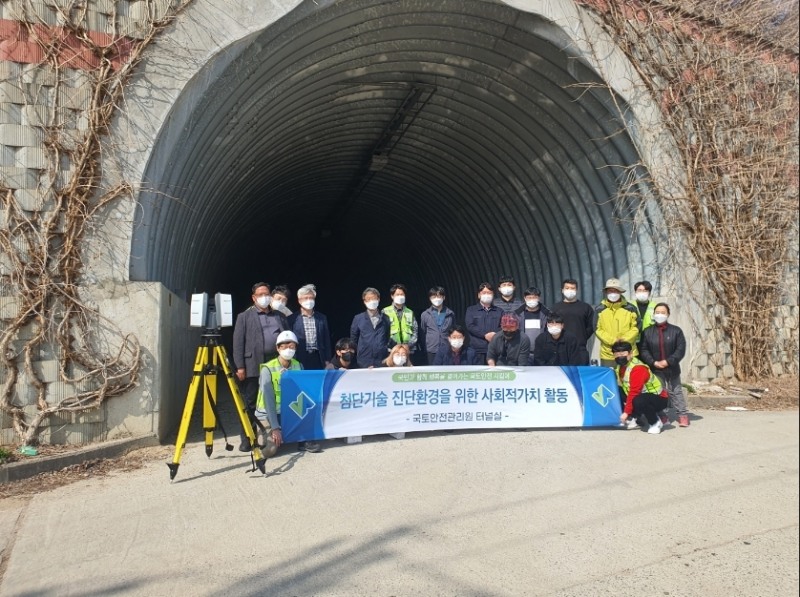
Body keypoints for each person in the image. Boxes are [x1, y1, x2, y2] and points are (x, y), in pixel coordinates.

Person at [232, 281, 288, 452]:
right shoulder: (244, 316)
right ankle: (248, 437)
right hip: (252, 365)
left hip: (276, 365)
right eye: (260, 294)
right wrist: (240, 367)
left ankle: (276, 435)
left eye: (267, 294)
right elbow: (237, 343)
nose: (264, 297)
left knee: (276, 400)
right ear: (254, 297)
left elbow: (287, 337)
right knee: (250, 402)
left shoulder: (279, 316)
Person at [259, 330, 321, 453]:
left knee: (311, 405)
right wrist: (275, 427)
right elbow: (269, 401)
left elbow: (303, 394)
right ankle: (272, 433)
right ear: (278, 348)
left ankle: (304, 440)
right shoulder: (267, 369)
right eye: (285, 346)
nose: (288, 349)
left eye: (292, 346)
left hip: (290, 412)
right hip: (268, 414)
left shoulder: (299, 366)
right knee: (269, 450)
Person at [639, 303, 691, 427]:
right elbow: (643, 349)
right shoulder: (647, 332)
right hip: (655, 368)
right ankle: (663, 415)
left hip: (672, 368)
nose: (659, 315)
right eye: (657, 312)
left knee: (676, 391)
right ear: (653, 314)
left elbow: (680, 349)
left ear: (668, 314)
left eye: (663, 312)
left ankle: (682, 415)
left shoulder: (676, 331)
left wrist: (668, 361)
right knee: (659, 392)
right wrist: (653, 362)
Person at [612, 341, 669, 434]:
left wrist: (626, 412)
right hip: (641, 395)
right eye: (617, 354)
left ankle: (655, 422)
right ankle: (633, 418)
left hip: (659, 398)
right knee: (616, 391)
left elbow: (634, 392)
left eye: (623, 353)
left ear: (630, 353)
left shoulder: (638, 368)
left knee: (638, 400)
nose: (620, 357)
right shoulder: (621, 366)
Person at [595, 278, 640, 368]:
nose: (613, 293)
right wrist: (612, 340)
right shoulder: (599, 309)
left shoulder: (631, 308)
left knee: (629, 379)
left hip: (628, 352)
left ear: (620, 292)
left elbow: (636, 327)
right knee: (610, 380)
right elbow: (597, 329)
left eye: (615, 291)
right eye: (610, 291)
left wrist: (624, 339)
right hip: (608, 354)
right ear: (606, 292)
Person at [550, 278, 594, 365]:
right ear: (562, 290)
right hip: (560, 348)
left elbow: (591, 326)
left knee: (580, 376)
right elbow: (549, 325)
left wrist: (582, 337)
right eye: (567, 288)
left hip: (579, 349)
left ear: (577, 290)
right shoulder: (555, 308)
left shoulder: (585, 307)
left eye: (572, 288)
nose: (570, 290)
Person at [288, 284, 332, 370]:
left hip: (318, 357)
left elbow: (326, 340)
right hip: (300, 358)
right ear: (299, 300)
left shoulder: (321, 318)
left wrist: (327, 360)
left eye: (311, 298)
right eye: (306, 298)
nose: (309, 300)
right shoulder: (292, 319)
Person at [350, 287, 390, 368]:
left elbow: (387, 336)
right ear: (364, 302)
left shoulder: (385, 318)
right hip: (364, 361)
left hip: (381, 360)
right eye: (368, 299)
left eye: (373, 298)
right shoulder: (358, 318)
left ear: (378, 299)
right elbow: (354, 339)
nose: (371, 301)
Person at [465, 282, 503, 365]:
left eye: (489, 293)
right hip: (476, 349)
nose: (487, 295)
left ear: (493, 295)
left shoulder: (499, 311)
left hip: (494, 349)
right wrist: (485, 335)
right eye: (484, 293)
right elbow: (470, 326)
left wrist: (494, 334)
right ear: (479, 295)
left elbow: (502, 326)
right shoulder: (471, 310)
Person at [419, 286, 455, 365]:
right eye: (434, 296)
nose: (436, 299)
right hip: (431, 349)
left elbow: (453, 331)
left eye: (439, 296)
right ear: (430, 298)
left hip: (447, 348)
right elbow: (423, 332)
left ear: (444, 297)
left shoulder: (450, 314)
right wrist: (425, 347)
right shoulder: (425, 314)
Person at [514, 286, 550, 365]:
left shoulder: (547, 314)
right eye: (529, 297)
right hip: (523, 353)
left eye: (534, 297)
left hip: (541, 352)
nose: (532, 300)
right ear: (525, 298)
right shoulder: (517, 314)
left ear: (539, 298)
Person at [382, 283, 419, 354]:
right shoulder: (385, 312)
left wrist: (408, 346)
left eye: (402, 294)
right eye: (397, 294)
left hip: (408, 351)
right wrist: (396, 346)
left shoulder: (410, 312)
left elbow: (415, 330)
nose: (400, 296)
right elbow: (382, 332)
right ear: (392, 296)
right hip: (391, 351)